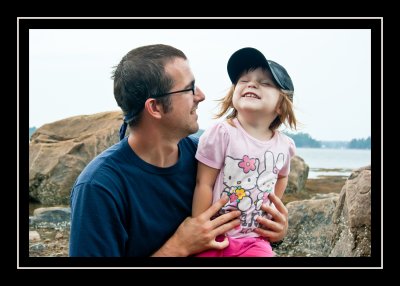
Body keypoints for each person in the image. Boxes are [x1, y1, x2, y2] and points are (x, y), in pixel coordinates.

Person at [69, 44, 289, 257]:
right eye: (189, 88)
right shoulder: (99, 187)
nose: (201, 95)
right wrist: (177, 248)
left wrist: (275, 229)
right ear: (155, 107)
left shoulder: (206, 156)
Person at [192, 47, 297, 257]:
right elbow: (204, 183)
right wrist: (200, 228)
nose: (252, 83)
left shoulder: (285, 145)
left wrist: (272, 205)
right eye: (243, 80)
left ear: (281, 106)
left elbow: (282, 176)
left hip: (255, 239)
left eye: (265, 83)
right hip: (217, 234)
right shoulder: (222, 133)